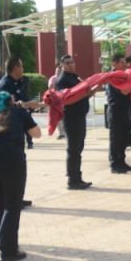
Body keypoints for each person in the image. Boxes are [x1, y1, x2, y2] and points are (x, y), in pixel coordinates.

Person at [0, 91, 40, 261]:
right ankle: (7, 250)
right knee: (12, 205)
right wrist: (24, 112)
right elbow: (36, 133)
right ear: (11, 102)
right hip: (11, 159)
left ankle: (1, 242)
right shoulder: (18, 112)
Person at [56, 54, 92, 189]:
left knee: (78, 148)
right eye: (68, 63)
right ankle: (73, 180)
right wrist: (84, 93)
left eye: (72, 62)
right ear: (62, 65)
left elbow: (85, 94)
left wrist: (94, 88)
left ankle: (77, 177)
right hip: (71, 118)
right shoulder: (62, 80)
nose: (71, 64)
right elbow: (65, 100)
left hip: (80, 117)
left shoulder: (76, 77)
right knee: (74, 149)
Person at [106, 54, 131, 173]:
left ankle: (122, 162)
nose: (125, 65)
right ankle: (115, 164)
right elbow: (124, 91)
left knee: (123, 138)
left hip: (124, 110)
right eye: (122, 63)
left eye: (125, 63)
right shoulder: (112, 77)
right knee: (116, 139)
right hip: (115, 111)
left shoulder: (123, 76)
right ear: (114, 63)